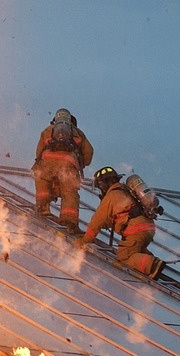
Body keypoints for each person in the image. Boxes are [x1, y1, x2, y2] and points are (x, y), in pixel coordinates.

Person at [73, 166, 166, 279]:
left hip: (135, 230)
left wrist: (84, 240)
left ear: (104, 184)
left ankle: (152, 264)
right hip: (147, 228)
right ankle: (147, 259)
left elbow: (96, 222)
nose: (101, 190)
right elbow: (118, 217)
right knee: (134, 248)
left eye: (100, 186)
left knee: (124, 256)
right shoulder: (126, 191)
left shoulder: (111, 196)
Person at [32, 108, 94, 236]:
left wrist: (41, 162)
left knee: (42, 182)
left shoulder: (48, 130)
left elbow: (39, 151)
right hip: (68, 163)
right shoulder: (78, 133)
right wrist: (80, 164)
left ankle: (42, 209)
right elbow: (89, 152)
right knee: (69, 192)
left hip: (47, 161)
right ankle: (69, 222)